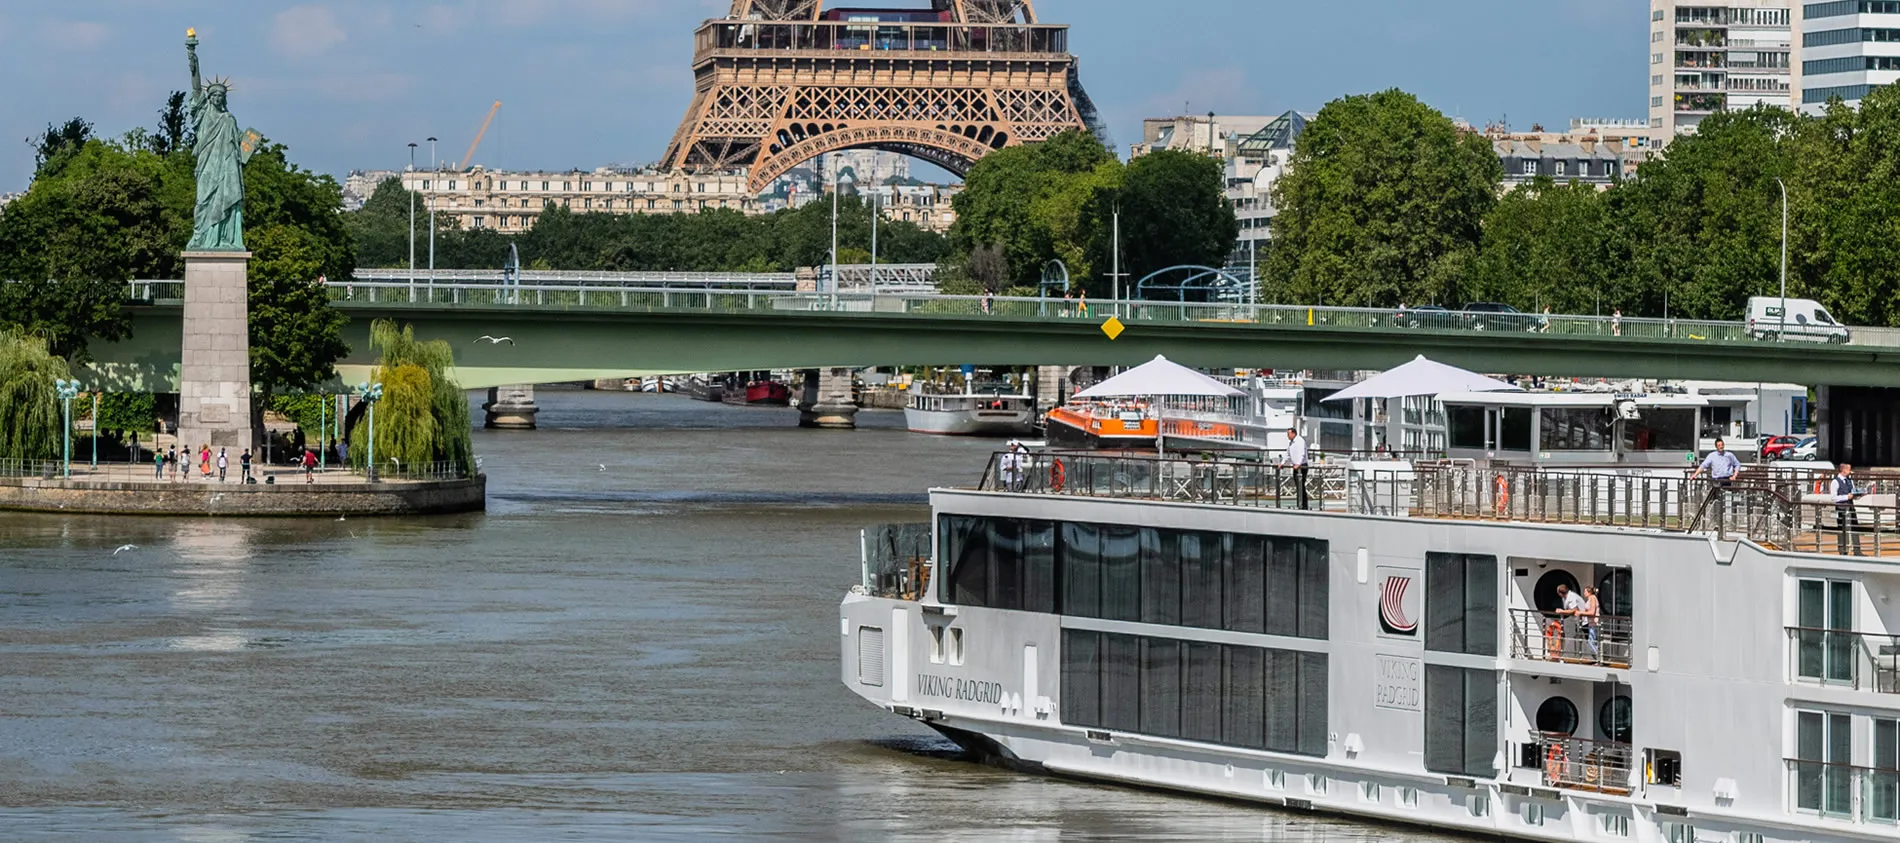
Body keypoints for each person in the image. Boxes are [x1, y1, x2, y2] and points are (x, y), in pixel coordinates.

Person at [1833, 462, 1864, 556]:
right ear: (1844, 470)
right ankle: (1842, 550)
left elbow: (1853, 492)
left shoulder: (1850, 480)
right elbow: (1834, 498)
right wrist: (1846, 497)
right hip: (1841, 508)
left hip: (1850, 506)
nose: (1850, 472)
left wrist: (1858, 495)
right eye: (1849, 470)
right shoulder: (1835, 482)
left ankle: (1857, 550)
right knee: (1842, 529)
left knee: (1854, 527)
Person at [1280, 427, 1310, 510]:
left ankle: (1304, 505)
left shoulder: (1300, 441)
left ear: (1293, 433)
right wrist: (1282, 463)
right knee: (1298, 486)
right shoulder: (1291, 443)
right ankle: (1300, 504)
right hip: (1295, 467)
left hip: (1302, 466)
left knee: (1301, 486)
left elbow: (1302, 453)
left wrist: (1299, 464)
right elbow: (1287, 454)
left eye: (1288, 434)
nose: (1288, 436)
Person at [1579, 585, 1602, 659]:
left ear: (1589, 592)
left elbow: (1592, 612)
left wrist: (1581, 613)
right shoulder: (1590, 598)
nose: (1584, 593)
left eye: (1585, 591)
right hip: (1591, 623)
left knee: (1591, 640)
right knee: (1591, 640)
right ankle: (1598, 658)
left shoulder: (1592, 598)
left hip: (1594, 623)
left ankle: (1599, 658)